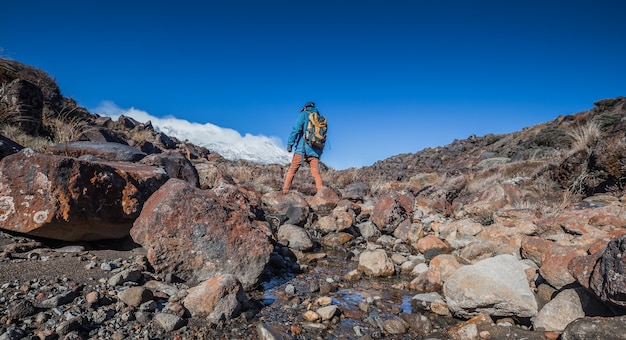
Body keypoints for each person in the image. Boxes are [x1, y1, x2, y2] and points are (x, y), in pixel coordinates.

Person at [282, 101, 324, 193]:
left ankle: (285, 191)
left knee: (292, 170)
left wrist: (290, 144)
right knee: (316, 173)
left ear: (305, 107)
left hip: (302, 148)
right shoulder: (319, 119)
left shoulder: (304, 115)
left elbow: (295, 130)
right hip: (316, 151)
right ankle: (321, 193)